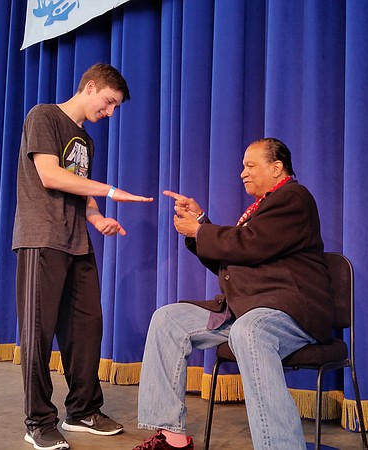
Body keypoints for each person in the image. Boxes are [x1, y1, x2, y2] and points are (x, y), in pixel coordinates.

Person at [134, 138, 334, 450]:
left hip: (289, 311)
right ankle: (172, 438)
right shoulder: (264, 206)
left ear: (277, 167)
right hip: (247, 307)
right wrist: (200, 223)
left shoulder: (294, 198)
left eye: (250, 166)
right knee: (167, 320)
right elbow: (236, 253)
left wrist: (200, 231)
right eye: (243, 167)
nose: (242, 173)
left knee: (249, 331)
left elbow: (249, 244)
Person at [12, 63, 153, 450]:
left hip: (77, 242)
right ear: (90, 87)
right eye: (108, 103)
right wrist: (110, 191)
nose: (108, 113)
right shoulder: (43, 115)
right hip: (42, 238)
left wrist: (96, 215)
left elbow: (77, 185)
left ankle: (83, 410)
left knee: (87, 328)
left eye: (114, 108)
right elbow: (50, 175)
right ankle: (38, 420)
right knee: (37, 332)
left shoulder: (85, 140)